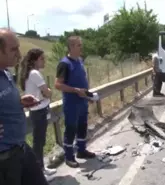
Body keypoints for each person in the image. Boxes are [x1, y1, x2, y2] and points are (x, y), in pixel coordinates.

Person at [0, 28, 48, 185]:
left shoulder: (6, 73)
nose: (19, 54)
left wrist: (19, 102)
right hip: (5, 160)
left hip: (21, 147)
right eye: (13, 49)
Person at [54, 35, 95, 168]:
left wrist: (88, 95)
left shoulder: (80, 61)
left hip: (82, 101)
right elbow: (58, 84)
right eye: (79, 45)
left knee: (82, 126)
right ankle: (69, 156)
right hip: (71, 103)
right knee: (71, 128)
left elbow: (82, 79)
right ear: (71, 46)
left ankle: (81, 150)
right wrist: (75, 90)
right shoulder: (64, 64)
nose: (81, 47)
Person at [19, 48, 57, 181]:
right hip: (39, 110)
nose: (44, 61)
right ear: (35, 61)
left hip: (38, 110)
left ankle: (42, 168)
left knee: (39, 141)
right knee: (38, 142)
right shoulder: (35, 73)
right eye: (42, 58)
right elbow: (47, 92)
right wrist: (49, 91)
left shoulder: (30, 73)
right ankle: (40, 171)